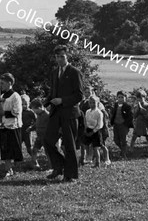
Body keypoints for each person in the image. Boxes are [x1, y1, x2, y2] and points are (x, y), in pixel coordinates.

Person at [43, 45, 84, 183]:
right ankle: (59, 166)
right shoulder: (54, 72)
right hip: (56, 112)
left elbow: (79, 95)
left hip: (69, 113)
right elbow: (52, 92)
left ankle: (70, 175)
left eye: (62, 56)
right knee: (48, 140)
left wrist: (62, 100)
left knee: (69, 145)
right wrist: (45, 103)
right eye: (57, 57)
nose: (59, 59)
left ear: (67, 56)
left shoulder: (75, 72)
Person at [0, 73, 23, 178]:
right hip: (4, 125)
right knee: (5, 148)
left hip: (13, 125)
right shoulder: (3, 96)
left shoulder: (15, 96)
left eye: (3, 83)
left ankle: (14, 168)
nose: (1, 86)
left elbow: (16, 112)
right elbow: (0, 111)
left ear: (9, 83)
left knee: (13, 149)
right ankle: (8, 168)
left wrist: (4, 113)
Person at [110, 90, 133, 158]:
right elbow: (113, 114)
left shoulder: (127, 106)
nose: (120, 99)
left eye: (122, 97)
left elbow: (130, 116)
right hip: (116, 124)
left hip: (123, 125)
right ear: (117, 98)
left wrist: (126, 124)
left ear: (125, 98)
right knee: (116, 140)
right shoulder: (116, 105)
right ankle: (124, 149)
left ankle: (124, 154)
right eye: (119, 97)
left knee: (123, 140)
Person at [83, 95, 104, 168]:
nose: (92, 104)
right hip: (88, 129)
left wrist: (93, 131)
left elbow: (100, 125)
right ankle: (86, 158)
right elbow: (86, 121)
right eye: (90, 102)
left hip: (96, 131)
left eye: (93, 102)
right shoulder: (87, 111)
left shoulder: (99, 113)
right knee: (85, 144)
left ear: (97, 103)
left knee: (95, 147)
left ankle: (97, 163)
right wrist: (85, 129)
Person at [28, 98, 50, 170]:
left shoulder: (47, 115)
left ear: (39, 108)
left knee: (48, 152)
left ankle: (51, 166)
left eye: (34, 110)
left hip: (46, 137)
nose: (33, 111)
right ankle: (34, 164)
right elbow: (37, 123)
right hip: (39, 137)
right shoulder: (39, 115)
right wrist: (31, 128)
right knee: (34, 150)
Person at [130, 89, 148, 154]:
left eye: (141, 97)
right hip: (139, 123)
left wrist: (142, 109)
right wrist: (137, 109)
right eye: (138, 98)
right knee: (134, 136)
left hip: (146, 123)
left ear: (144, 97)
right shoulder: (136, 106)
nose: (140, 99)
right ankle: (131, 148)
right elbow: (134, 115)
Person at [21, 94, 36, 159]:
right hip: (20, 131)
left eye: (25, 104)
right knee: (18, 147)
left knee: (29, 148)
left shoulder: (30, 112)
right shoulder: (19, 112)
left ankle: (34, 160)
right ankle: (18, 162)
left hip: (27, 131)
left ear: (29, 103)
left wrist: (32, 127)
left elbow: (36, 120)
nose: (24, 106)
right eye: (22, 104)